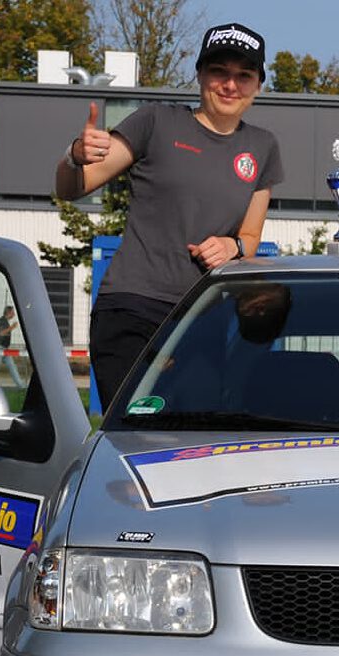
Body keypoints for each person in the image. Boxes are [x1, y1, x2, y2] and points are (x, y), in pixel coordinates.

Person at [55, 22, 283, 411]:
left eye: (244, 76)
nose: (230, 85)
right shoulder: (156, 121)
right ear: (200, 74)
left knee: (193, 440)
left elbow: (250, 237)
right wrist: (74, 154)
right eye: (219, 72)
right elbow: (71, 188)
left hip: (202, 314)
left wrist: (233, 245)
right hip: (132, 307)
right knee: (134, 433)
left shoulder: (262, 146)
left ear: (258, 86)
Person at [0, 305, 23, 385]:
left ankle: (20, 385)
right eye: (13, 312)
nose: (14, 314)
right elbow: (2, 333)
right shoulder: (2, 321)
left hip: (4, 348)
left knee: (12, 366)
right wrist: (12, 327)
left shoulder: (4, 321)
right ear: (9, 312)